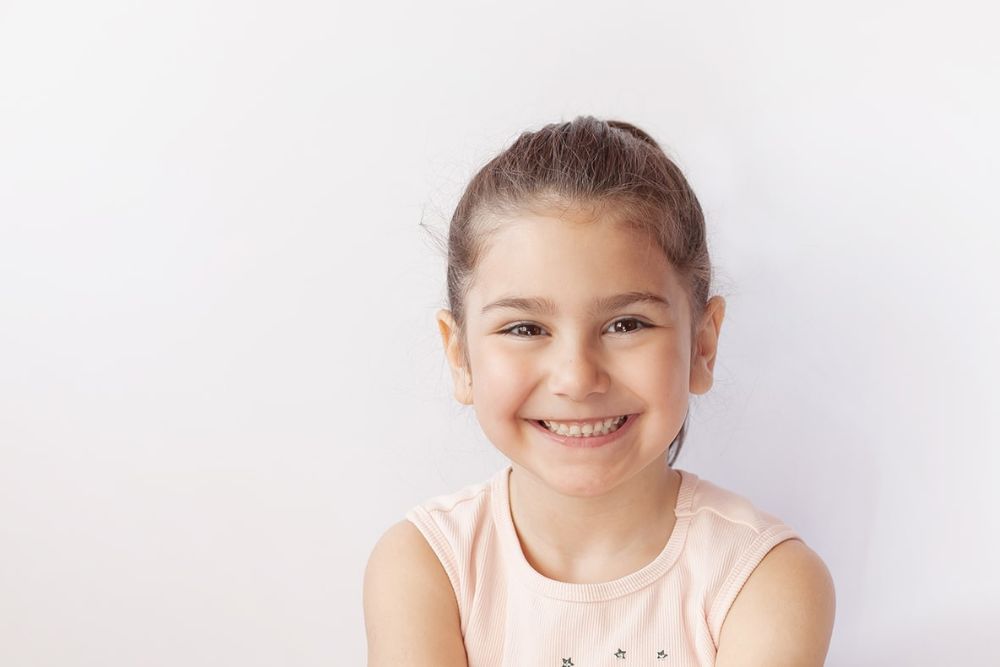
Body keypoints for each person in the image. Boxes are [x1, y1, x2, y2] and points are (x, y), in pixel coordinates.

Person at [363, 116, 836, 666]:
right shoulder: (427, 566)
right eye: (525, 329)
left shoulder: (761, 580)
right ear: (460, 355)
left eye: (626, 325)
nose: (577, 379)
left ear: (702, 346)